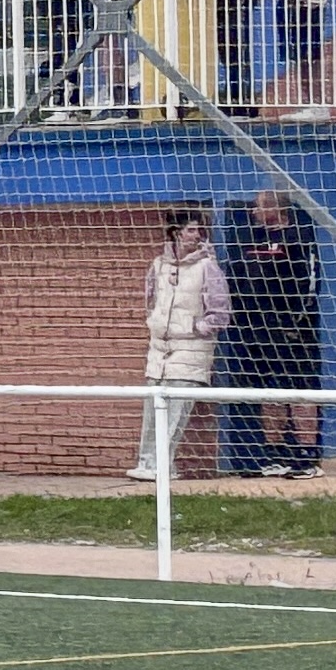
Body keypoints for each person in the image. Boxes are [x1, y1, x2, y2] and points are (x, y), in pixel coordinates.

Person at [220, 190, 322, 479]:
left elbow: (311, 285)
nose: (253, 213)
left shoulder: (298, 239)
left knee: (299, 391)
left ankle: (307, 457)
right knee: (269, 392)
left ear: (276, 210)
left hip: (292, 330)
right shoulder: (251, 241)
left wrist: (295, 320)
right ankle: (274, 454)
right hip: (257, 329)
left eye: (258, 208)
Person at [129, 205, 226, 484]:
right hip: (160, 351)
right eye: (191, 229)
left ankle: (162, 465)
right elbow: (150, 301)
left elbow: (220, 313)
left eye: (199, 229)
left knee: (175, 415)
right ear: (176, 232)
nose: (197, 235)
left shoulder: (208, 267)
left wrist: (196, 328)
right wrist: (158, 325)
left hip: (190, 350)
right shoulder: (159, 265)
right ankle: (146, 463)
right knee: (153, 411)